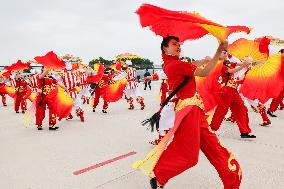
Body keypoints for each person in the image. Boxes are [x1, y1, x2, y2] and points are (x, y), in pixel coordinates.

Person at [135, 36, 242, 189]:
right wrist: (218, 51)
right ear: (165, 49)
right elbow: (204, 72)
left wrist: (206, 59)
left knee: (214, 147)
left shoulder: (175, 63)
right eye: (174, 44)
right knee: (189, 155)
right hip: (189, 109)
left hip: (195, 109)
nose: (178, 46)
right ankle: (159, 175)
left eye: (179, 44)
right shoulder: (174, 65)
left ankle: (231, 182)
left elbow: (193, 64)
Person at [210, 55, 256, 138]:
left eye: (225, 52)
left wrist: (246, 63)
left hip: (233, 90)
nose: (225, 54)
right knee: (221, 110)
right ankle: (211, 129)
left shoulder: (228, 62)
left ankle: (244, 131)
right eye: (223, 52)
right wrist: (243, 65)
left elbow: (237, 64)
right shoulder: (221, 66)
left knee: (241, 109)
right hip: (226, 91)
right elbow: (232, 70)